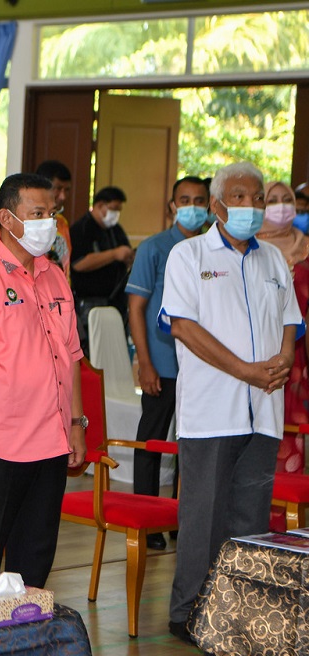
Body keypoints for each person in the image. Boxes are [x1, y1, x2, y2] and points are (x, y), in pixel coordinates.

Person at [161, 162, 301, 650]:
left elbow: (290, 321)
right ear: (217, 206)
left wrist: (282, 360)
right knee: (204, 516)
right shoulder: (188, 255)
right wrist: (245, 369)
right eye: (239, 197)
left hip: (264, 409)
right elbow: (183, 327)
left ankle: (240, 615)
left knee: (251, 519)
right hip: (211, 411)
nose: (252, 206)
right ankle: (189, 612)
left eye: (258, 197)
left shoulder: (274, 261)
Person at [0, 172, 86, 589]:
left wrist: (77, 426)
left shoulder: (55, 276)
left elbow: (72, 358)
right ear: (7, 219)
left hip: (51, 441)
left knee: (35, 558)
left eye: (53, 212)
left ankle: (21, 638)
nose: (49, 222)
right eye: (38, 213)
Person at [125, 176, 208, 551]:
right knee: (153, 443)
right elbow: (137, 307)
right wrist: (144, 361)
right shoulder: (155, 248)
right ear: (172, 205)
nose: (193, 206)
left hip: (204, 366)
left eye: (200, 200)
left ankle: (180, 520)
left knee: (192, 445)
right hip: (162, 363)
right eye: (185, 200)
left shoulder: (214, 250)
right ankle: (148, 522)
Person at [256, 180, 309, 477]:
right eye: (272, 199)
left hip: (298, 354)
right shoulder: (250, 247)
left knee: (291, 428)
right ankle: (250, 518)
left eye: (285, 199)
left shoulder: (306, 247)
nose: (280, 206)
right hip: (256, 350)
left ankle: (284, 516)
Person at [70, 186, 133, 353]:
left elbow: (126, 251)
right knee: (95, 353)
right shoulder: (81, 229)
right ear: (99, 206)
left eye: (119, 210)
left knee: (115, 353)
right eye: (113, 209)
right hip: (90, 304)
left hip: (116, 301)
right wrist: (114, 254)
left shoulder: (115, 229)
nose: (116, 214)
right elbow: (79, 263)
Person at [35, 160, 75, 274]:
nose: (63, 197)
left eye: (67, 190)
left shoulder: (62, 222)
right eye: (57, 188)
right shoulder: (21, 223)